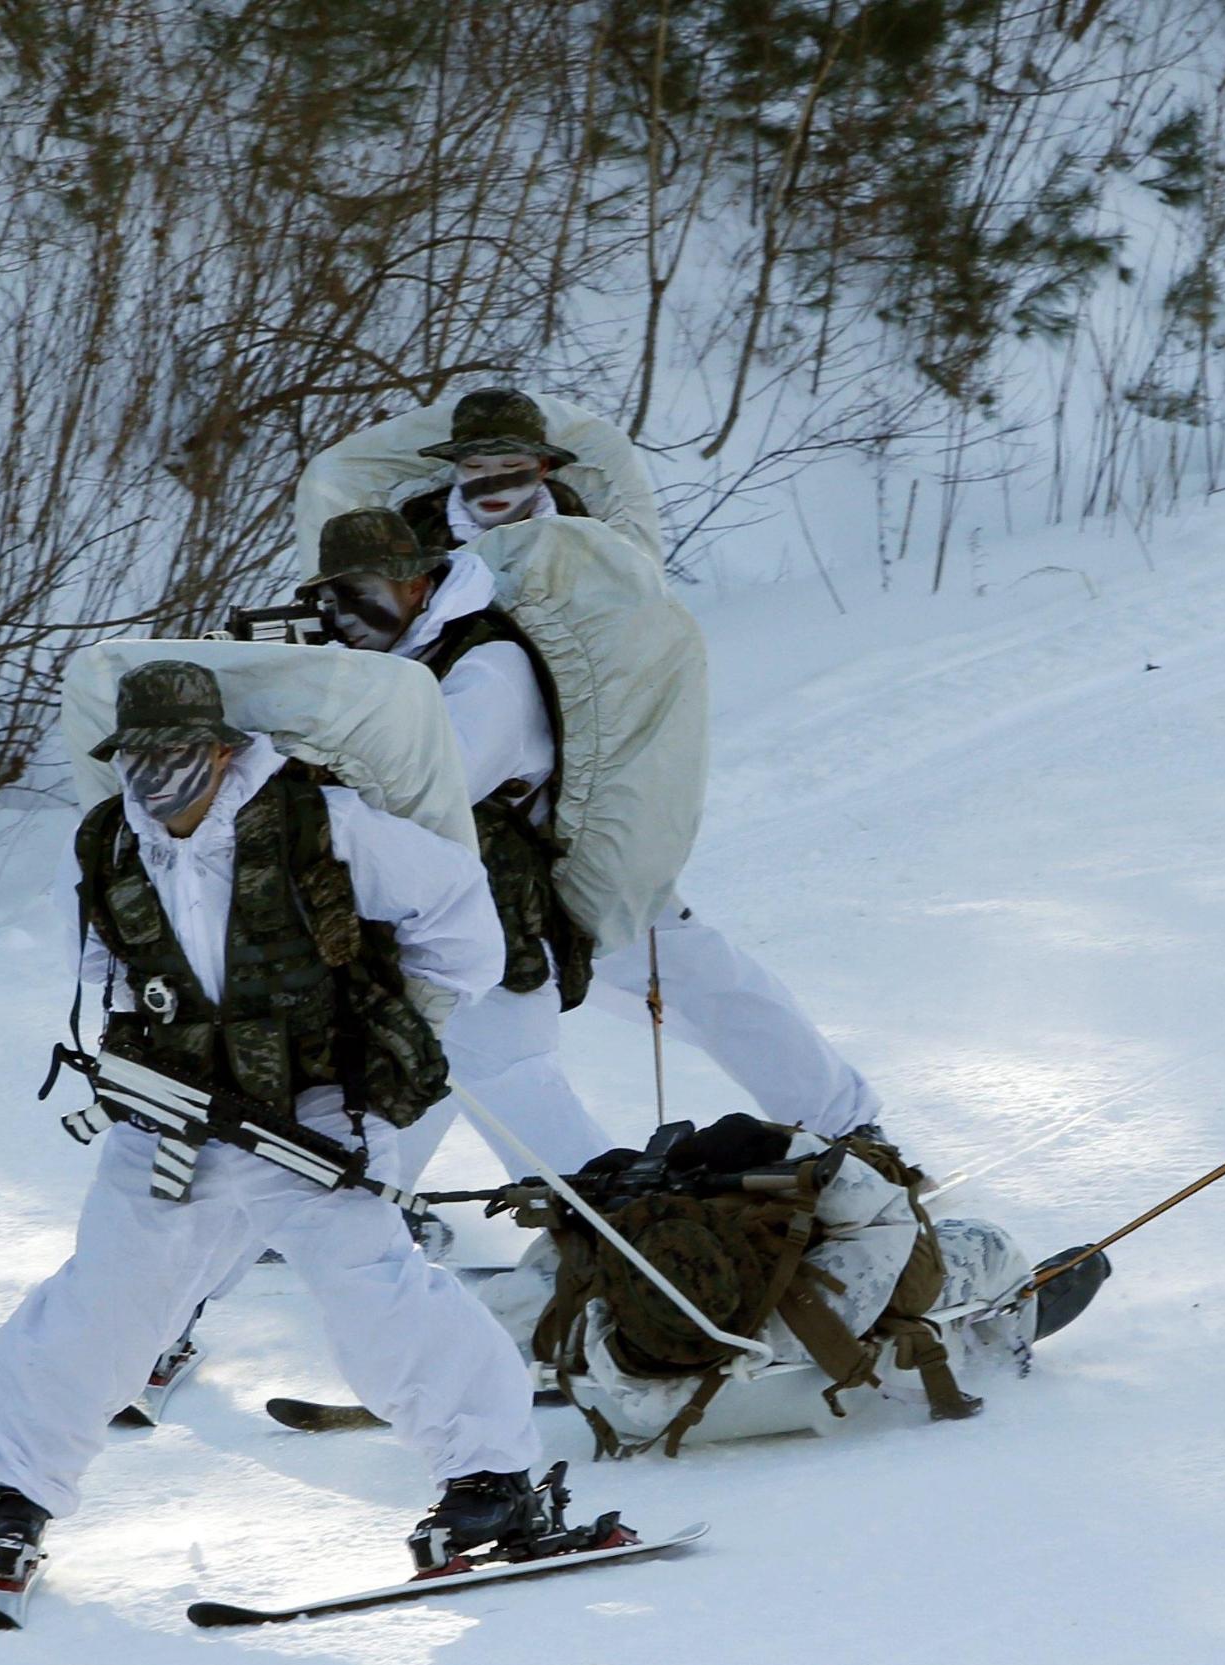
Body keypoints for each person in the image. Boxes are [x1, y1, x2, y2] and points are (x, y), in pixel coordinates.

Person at [0, 662, 580, 1606]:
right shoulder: (104, 846)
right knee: (106, 1298)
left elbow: (459, 914)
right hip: (171, 1113)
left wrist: (402, 1022)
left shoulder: (313, 821)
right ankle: (18, 1497)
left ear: (221, 749)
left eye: (178, 751)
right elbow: (100, 961)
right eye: (137, 753)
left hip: (315, 1108)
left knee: (372, 1289)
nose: (157, 772)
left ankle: (491, 1482)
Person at [297, 508, 885, 1180]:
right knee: (453, 1055)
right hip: (462, 907)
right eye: (331, 596)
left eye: (360, 591)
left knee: (665, 999)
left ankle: (815, 1136)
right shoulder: (403, 658)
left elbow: (430, 785)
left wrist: (317, 737)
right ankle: (374, 1199)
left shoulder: (487, 668)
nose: (343, 613)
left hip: (533, 904)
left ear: (418, 585)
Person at [396, 387, 591, 545]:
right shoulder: (421, 522)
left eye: (510, 465)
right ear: (456, 468)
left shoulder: (573, 518)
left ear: (541, 468)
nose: (492, 485)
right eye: (474, 466)